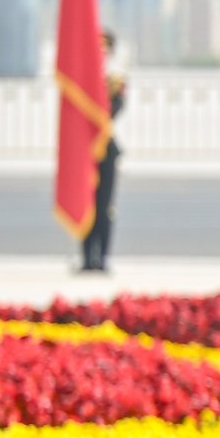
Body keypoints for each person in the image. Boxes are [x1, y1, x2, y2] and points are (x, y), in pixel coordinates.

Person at [80, 31, 127, 273]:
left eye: (105, 48)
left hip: (106, 148)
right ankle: (87, 257)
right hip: (84, 149)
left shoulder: (114, 79)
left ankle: (103, 256)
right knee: (85, 204)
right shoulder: (81, 78)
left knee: (105, 206)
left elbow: (116, 108)